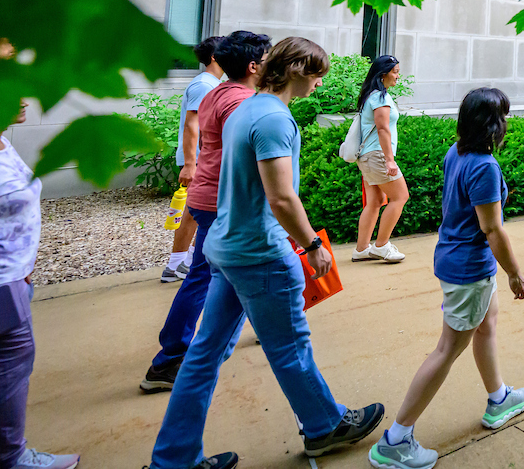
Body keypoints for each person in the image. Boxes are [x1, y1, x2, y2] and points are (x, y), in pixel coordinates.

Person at [147, 38, 383, 469]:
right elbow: (281, 198)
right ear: (295, 70)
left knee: (202, 355)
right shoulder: (274, 119)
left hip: (227, 246)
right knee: (290, 347)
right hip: (260, 254)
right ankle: (325, 427)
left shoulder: (246, 109)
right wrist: (312, 245)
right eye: (316, 73)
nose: (319, 82)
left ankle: (173, 460)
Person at [369, 87, 524, 469]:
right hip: (468, 270)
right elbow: (492, 229)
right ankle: (396, 439)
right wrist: (515, 274)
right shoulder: (485, 167)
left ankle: (498, 398)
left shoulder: (455, 152)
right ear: (493, 125)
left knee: (487, 325)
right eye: (503, 118)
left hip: (459, 261)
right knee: (446, 350)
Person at [140, 31, 272, 394]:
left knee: (212, 275)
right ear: (252, 66)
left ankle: (177, 355)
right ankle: (176, 358)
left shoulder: (217, 92)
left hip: (207, 197)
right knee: (221, 277)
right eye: (268, 58)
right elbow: (244, 154)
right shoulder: (241, 102)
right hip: (222, 201)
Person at [0, 100, 80, 469]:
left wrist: (24, 261)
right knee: (4, 378)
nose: (23, 99)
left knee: (9, 370)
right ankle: (11, 461)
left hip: (10, 280)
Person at [164, 36, 225, 283]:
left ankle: (185, 261)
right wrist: (190, 164)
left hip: (202, 158)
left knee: (198, 211)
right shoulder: (204, 85)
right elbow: (192, 126)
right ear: (214, 57)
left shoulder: (210, 83)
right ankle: (176, 264)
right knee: (193, 211)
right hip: (198, 159)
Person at [352, 55, 410, 264]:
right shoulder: (380, 97)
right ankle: (382, 245)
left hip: (368, 156)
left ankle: (361, 249)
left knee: (375, 202)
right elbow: (383, 128)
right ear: (382, 74)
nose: (397, 75)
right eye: (394, 71)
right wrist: (389, 160)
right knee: (400, 197)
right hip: (377, 155)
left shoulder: (371, 96)